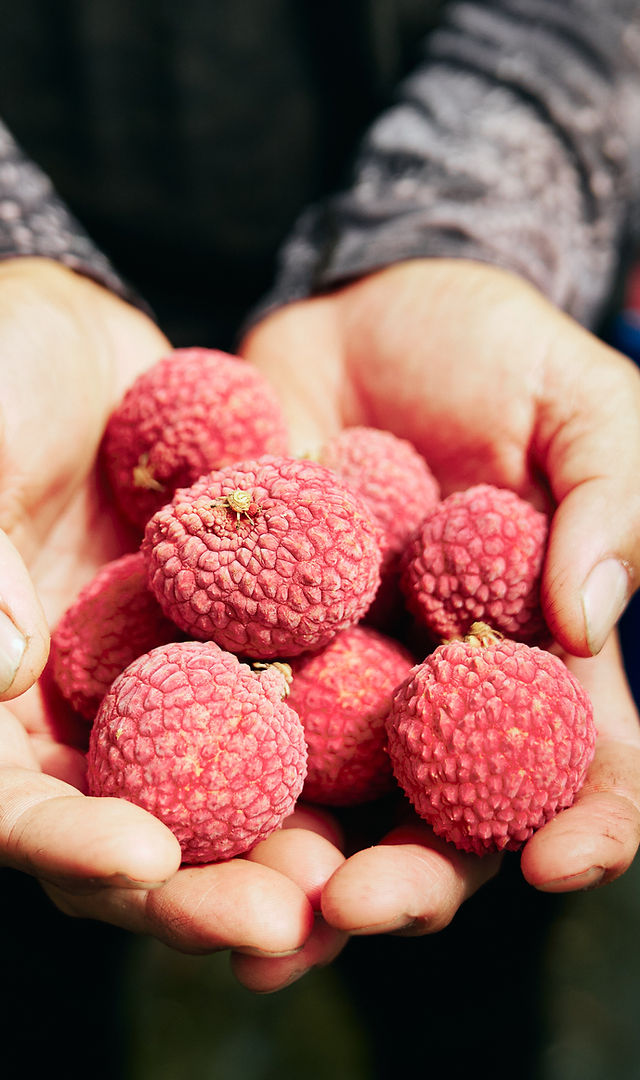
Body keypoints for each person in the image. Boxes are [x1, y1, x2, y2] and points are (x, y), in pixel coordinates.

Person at [1, 0, 640, 1004]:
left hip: (389, 253)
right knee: (45, 965)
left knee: (464, 981)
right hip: (77, 315)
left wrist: (461, 229)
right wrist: (14, 250)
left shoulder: (398, 582)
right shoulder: (197, 546)